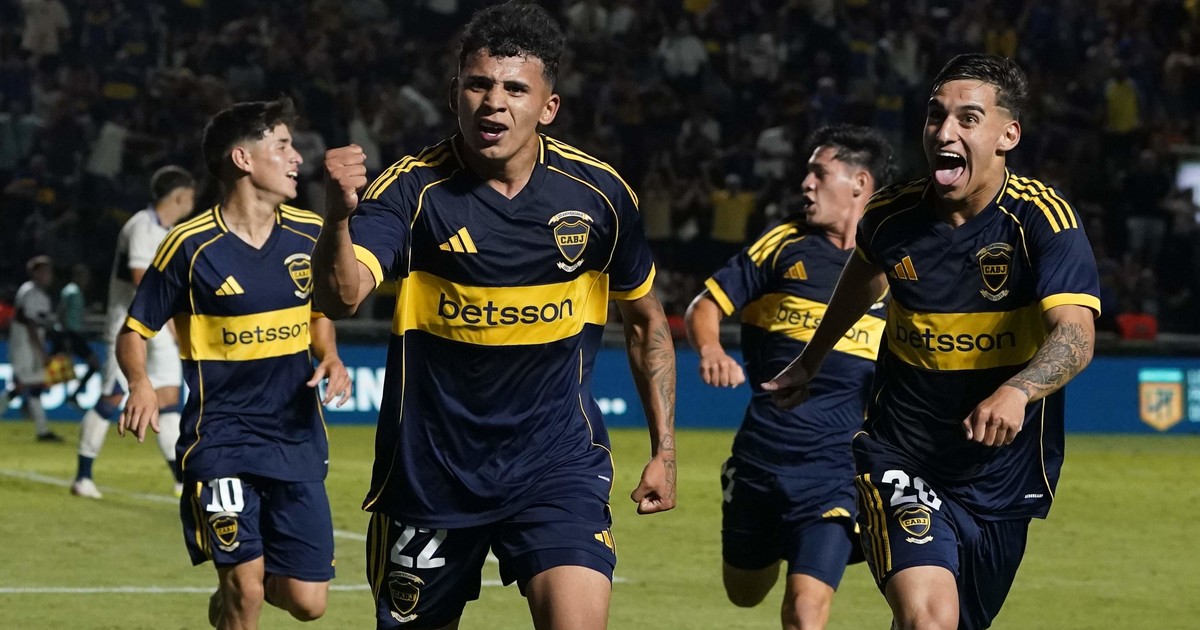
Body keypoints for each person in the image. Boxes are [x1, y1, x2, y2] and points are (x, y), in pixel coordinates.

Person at [313, 3, 677, 629]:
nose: (493, 103)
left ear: (548, 107)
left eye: (515, 89)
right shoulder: (410, 190)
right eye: (478, 85)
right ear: (454, 93)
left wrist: (664, 450)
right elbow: (341, 298)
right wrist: (338, 218)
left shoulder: (599, 196)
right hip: (431, 476)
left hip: (557, 466)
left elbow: (646, 325)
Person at [763, 54, 1101, 630]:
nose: (944, 132)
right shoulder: (890, 217)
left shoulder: (1042, 219)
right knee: (930, 621)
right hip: (902, 454)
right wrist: (811, 359)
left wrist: (1018, 391)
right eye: (936, 115)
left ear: (1008, 135)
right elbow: (864, 276)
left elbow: (1076, 333)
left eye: (968, 119)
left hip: (1001, 475)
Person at [116, 98, 352, 630]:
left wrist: (332, 355)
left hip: (294, 439)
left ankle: (227, 598)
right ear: (243, 159)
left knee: (308, 603)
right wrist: (140, 383)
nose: (297, 158)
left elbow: (319, 315)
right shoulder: (188, 246)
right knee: (247, 591)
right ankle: (236, 592)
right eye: (283, 146)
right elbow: (134, 330)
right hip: (220, 440)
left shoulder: (309, 233)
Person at [685, 124, 896, 630]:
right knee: (744, 592)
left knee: (805, 612)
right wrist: (711, 349)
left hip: (836, 471)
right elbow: (705, 306)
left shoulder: (894, 267)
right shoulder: (784, 244)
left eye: (819, 173)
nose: (805, 183)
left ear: (859, 183)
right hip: (760, 459)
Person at [70, 166, 195, 500]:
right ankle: (83, 476)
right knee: (113, 395)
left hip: (160, 325)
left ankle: (181, 479)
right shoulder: (142, 225)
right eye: (190, 195)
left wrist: (173, 324)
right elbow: (142, 279)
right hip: (129, 325)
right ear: (179, 196)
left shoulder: (171, 232)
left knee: (168, 399)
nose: (192, 202)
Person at [4, 254, 62, 441]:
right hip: (24, 346)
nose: (47, 275)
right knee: (26, 383)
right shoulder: (30, 292)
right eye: (43, 271)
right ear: (34, 273)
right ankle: (42, 430)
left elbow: (39, 323)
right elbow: (30, 324)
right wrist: (42, 352)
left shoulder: (40, 294)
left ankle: (42, 430)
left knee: (29, 385)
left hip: (31, 346)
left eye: (49, 271)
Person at [55, 263, 102, 408]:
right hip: (70, 334)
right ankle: (73, 395)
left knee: (93, 364)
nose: (86, 280)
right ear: (77, 276)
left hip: (74, 334)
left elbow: (76, 314)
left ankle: (73, 395)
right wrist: (65, 337)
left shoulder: (77, 292)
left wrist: (90, 310)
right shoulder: (71, 291)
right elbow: (61, 313)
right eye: (84, 276)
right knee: (93, 364)